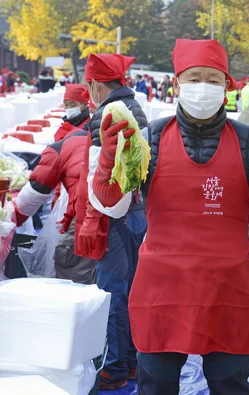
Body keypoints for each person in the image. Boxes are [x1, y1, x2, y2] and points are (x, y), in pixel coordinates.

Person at [87, 38, 249, 395]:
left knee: (230, 386)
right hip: (163, 291)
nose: (203, 87)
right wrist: (107, 165)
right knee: (155, 387)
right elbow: (111, 206)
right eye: (194, 78)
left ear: (226, 86)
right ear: (176, 85)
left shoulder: (247, 142)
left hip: (226, 291)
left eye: (213, 79)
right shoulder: (151, 140)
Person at [76, 53, 148, 389]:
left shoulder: (106, 115)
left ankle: (116, 368)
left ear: (94, 85)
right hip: (140, 214)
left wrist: (92, 216)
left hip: (114, 218)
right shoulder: (138, 108)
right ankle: (132, 361)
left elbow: (98, 179)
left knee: (113, 293)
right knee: (133, 289)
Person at [13, 84, 95, 285]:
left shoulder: (66, 143)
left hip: (82, 218)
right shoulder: (90, 134)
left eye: (73, 104)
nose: (69, 108)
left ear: (86, 105)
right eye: (66, 104)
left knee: (75, 279)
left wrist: (14, 217)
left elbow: (36, 190)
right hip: (100, 218)